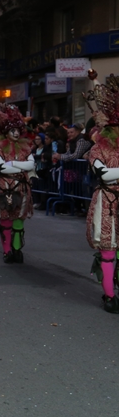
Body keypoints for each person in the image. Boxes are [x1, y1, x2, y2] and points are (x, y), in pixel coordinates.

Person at [85, 72, 119, 313]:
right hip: (107, 200)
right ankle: (109, 295)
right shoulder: (97, 150)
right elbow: (104, 175)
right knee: (108, 250)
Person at [0, 98, 35, 264]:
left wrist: (12, 163)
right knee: (5, 219)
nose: (15, 133)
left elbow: (31, 164)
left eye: (17, 130)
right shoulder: (0, 147)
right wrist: (19, 167)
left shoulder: (25, 147)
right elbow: (1, 167)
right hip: (4, 186)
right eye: (12, 130)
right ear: (6, 132)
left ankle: (17, 249)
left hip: (21, 186)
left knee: (19, 218)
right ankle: (7, 251)